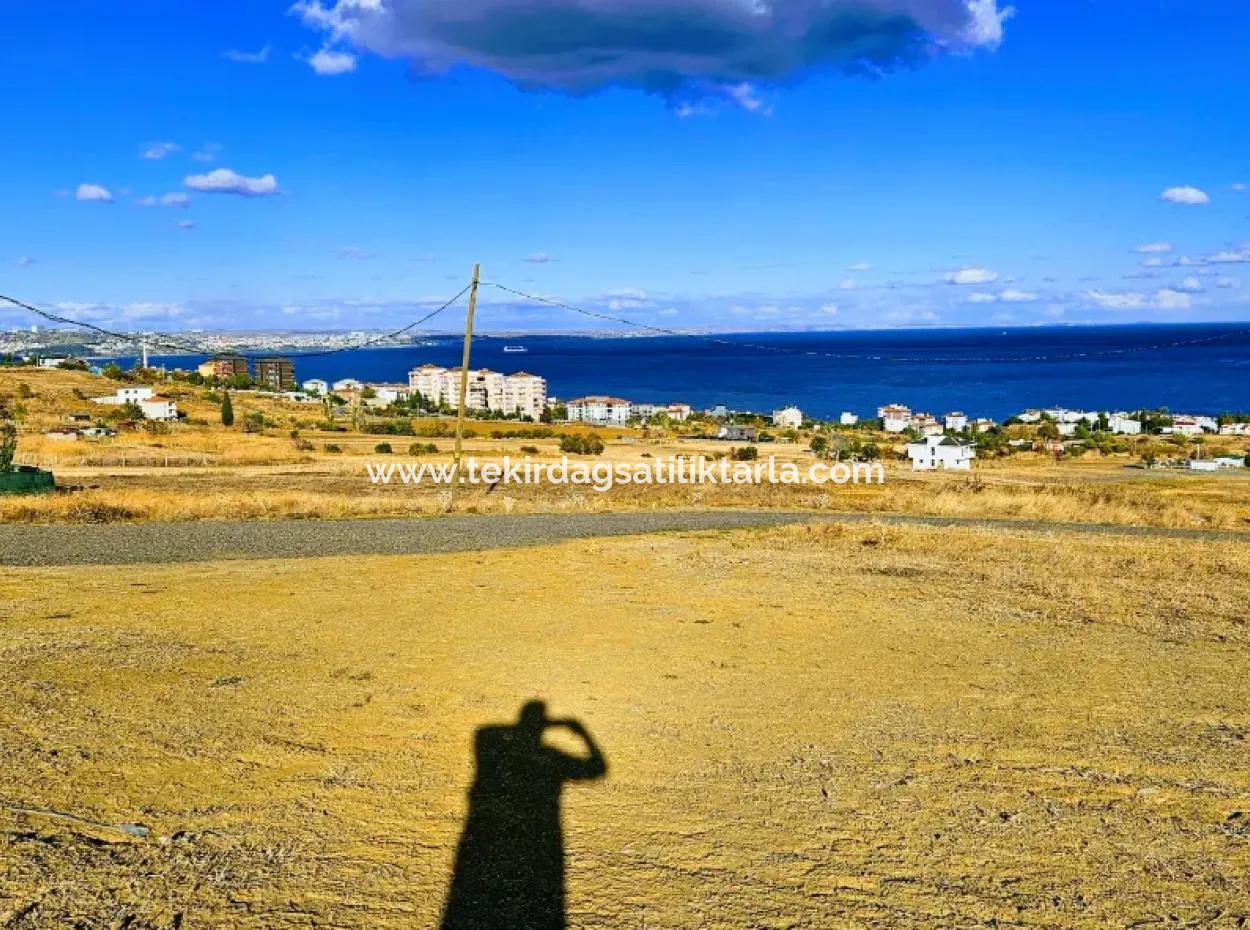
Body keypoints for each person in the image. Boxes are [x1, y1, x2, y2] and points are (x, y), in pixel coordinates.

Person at [440, 701, 607, 930]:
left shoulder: (494, 748)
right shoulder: (551, 759)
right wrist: (575, 730)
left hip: (490, 836)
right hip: (537, 842)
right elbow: (598, 767)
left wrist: (543, 725)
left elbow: (486, 730)